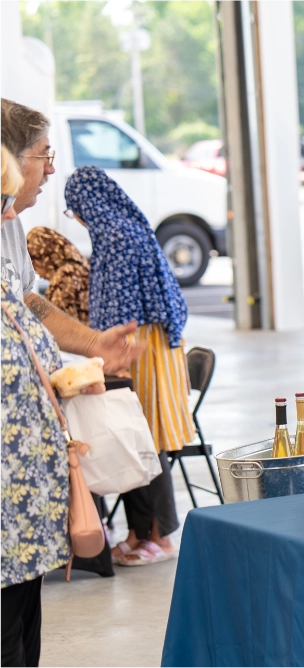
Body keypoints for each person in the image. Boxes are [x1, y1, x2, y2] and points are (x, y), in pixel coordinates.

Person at [0, 145, 103, 668]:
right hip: (9, 507)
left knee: (22, 625)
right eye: (3, 204)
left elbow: (26, 326)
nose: (12, 216)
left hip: (25, 508)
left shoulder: (5, 265)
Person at [65, 166, 195, 566]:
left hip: (138, 345)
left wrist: (103, 357)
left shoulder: (117, 237)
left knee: (142, 435)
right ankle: (140, 534)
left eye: (75, 210)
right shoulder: (124, 229)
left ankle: (159, 537)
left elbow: (119, 308)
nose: (79, 219)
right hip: (143, 343)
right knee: (131, 435)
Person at [0, 98, 142, 371]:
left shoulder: (12, 221)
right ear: (9, 159)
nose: (51, 169)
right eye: (44, 156)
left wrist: (93, 344)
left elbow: (25, 299)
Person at [25, 226, 90, 325]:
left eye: (35, 267)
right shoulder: (83, 268)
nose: (40, 276)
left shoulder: (64, 277)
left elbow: (58, 326)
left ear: (43, 259)